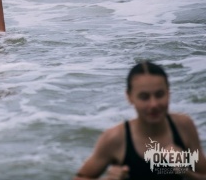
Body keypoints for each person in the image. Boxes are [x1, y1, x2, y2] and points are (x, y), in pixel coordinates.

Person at [74, 61, 206, 180]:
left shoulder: (183, 127)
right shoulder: (115, 138)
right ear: (129, 97)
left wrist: (185, 171)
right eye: (144, 97)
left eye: (159, 95)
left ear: (168, 93)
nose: (154, 104)